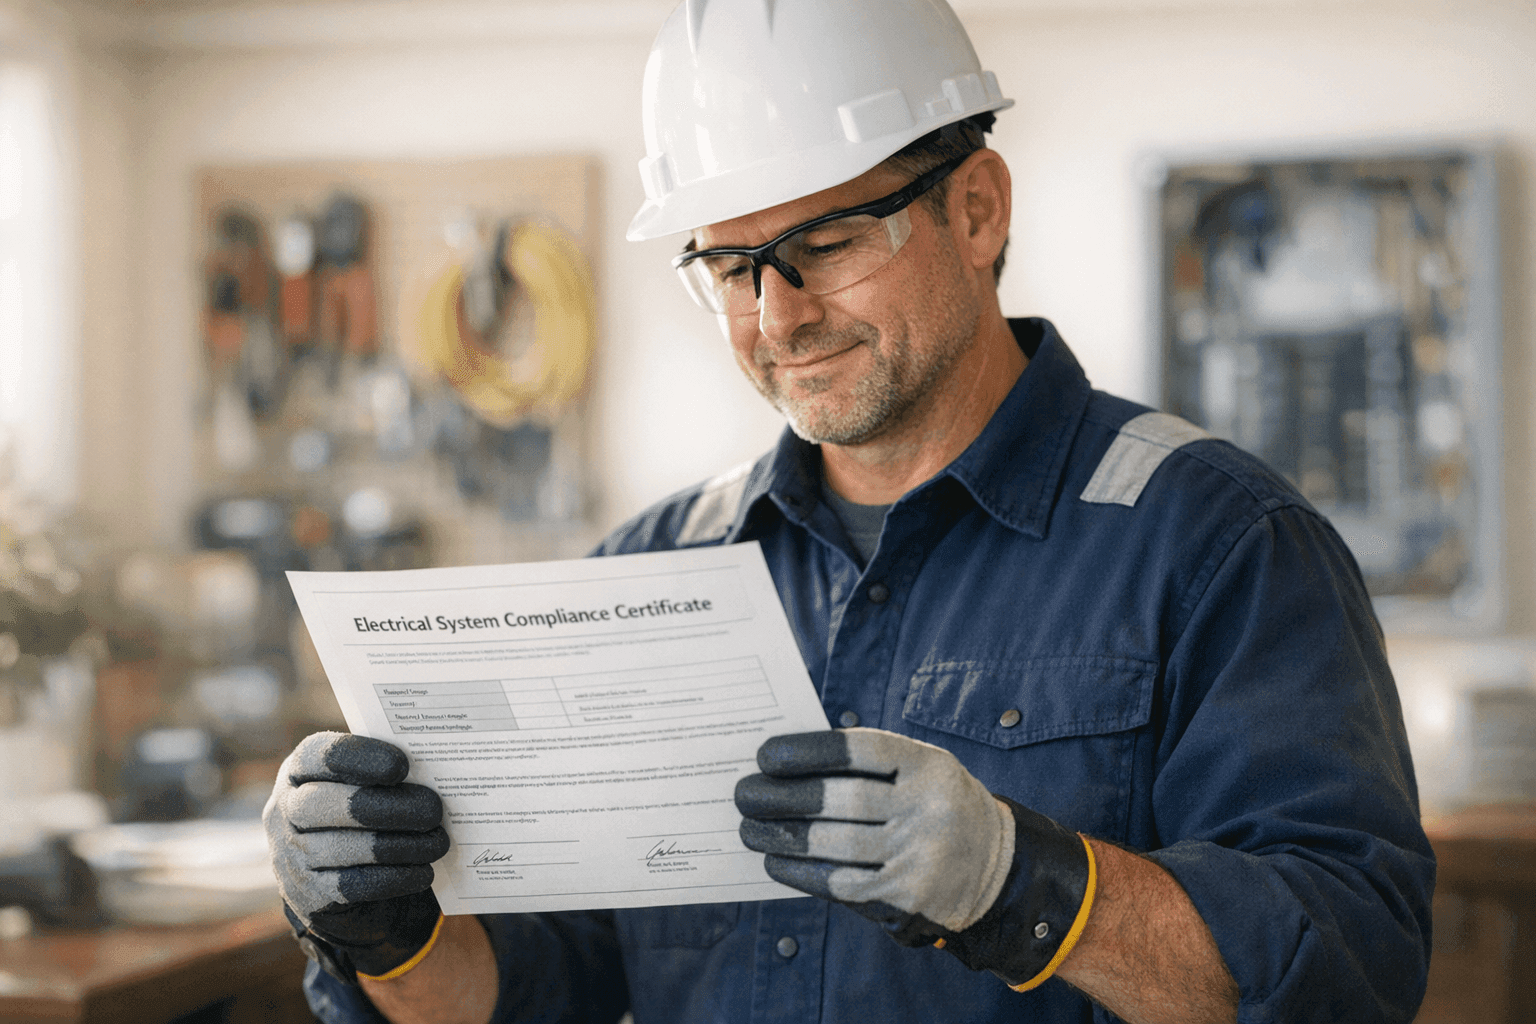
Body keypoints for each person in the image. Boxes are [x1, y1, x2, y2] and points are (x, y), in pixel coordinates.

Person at [262, 1, 1435, 1022]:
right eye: (731, 269)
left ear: (976, 211)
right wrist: (384, 932)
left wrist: (1026, 887)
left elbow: (1350, 974)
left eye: (824, 243)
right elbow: (534, 992)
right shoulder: (653, 565)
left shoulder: (1218, 544)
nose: (778, 318)